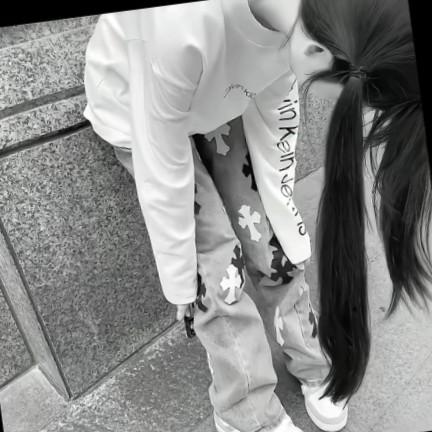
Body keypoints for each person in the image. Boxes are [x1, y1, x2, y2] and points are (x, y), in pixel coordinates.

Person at [83, 0, 431, 430]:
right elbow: (161, 160)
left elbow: (275, 123)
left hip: (217, 100)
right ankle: (243, 408)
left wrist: (283, 220)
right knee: (216, 267)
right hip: (137, 106)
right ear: (316, 52)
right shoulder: (181, 22)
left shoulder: (304, 27)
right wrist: (181, 279)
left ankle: (307, 351)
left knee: (266, 234)